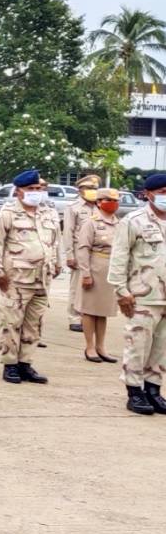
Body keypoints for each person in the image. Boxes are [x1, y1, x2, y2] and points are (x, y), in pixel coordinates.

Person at [0, 169, 59, 386]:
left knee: (34, 323)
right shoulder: (8, 213)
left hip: (42, 278)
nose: (36, 192)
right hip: (16, 278)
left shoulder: (48, 212)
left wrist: (56, 263)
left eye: (38, 189)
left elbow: (56, 241)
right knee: (12, 321)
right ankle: (10, 364)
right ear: (19, 191)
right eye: (31, 189)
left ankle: (25, 363)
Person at [109, 173, 166, 415]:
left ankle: (154, 390)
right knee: (138, 345)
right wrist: (121, 291)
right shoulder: (133, 221)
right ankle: (135, 392)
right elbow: (119, 258)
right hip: (143, 295)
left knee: (162, 347)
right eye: (163, 192)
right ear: (149, 194)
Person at [75, 187, 122, 364]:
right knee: (89, 310)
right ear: (99, 202)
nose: (113, 204)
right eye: (108, 200)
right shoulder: (91, 222)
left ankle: (101, 346)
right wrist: (86, 273)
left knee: (103, 311)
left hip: (110, 271)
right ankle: (89, 346)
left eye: (115, 200)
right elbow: (83, 249)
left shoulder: (119, 223)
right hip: (94, 269)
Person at [63, 173, 100, 332]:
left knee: (94, 286)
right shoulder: (74, 208)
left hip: (97, 253)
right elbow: (68, 232)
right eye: (90, 188)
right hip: (79, 252)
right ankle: (74, 318)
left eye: (95, 188)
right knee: (77, 286)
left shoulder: (100, 207)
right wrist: (70, 255)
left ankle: (89, 317)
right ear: (80, 190)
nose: (93, 191)